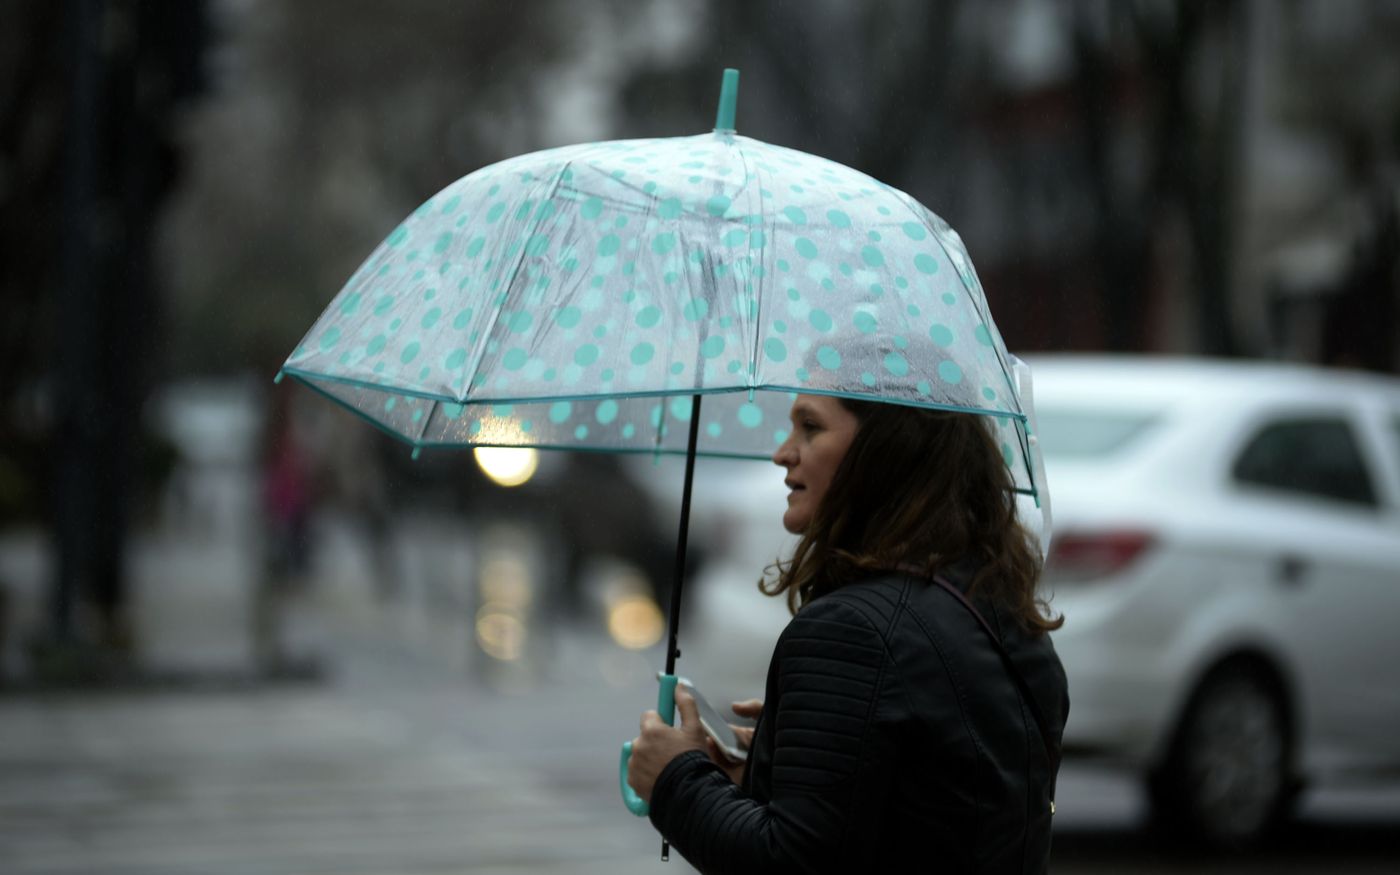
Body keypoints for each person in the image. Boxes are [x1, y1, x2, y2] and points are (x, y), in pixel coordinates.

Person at [627, 393, 1069, 873]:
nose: (783, 452)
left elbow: (786, 862)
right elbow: (940, 805)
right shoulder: (1008, 619)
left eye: (810, 428)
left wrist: (674, 776)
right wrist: (781, 764)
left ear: (886, 451)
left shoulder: (849, 632)